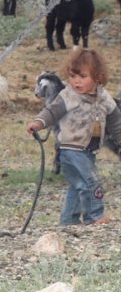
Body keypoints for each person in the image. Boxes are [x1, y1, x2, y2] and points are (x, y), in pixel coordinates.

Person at [27, 49, 121, 226]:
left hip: (89, 151)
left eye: (82, 77)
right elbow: (51, 111)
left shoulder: (104, 97)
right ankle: (94, 216)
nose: (76, 81)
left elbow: (115, 122)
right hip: (71, 151)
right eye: (72, 76)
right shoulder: (68, 95)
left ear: (98, 77)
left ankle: (69, 220)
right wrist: (39, 123)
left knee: (78, 185)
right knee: (91, 181)